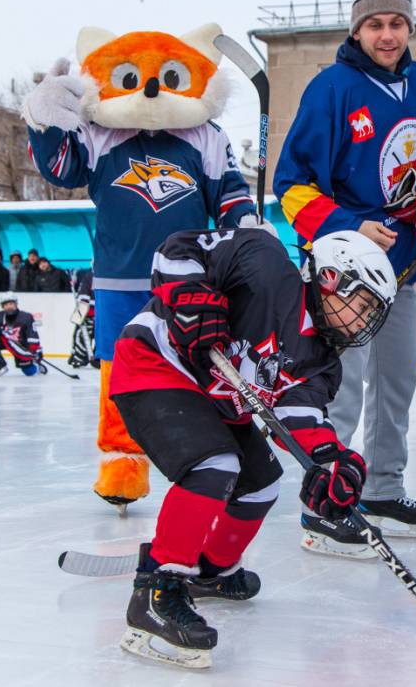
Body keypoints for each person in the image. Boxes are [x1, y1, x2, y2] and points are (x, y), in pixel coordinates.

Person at [110, 227, 396, 668]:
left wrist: (333, 461)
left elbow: (300, 418)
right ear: (332, 280)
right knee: (216, 464)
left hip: (217, 400)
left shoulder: (322, 360)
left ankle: (211, 571)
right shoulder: (262, 261)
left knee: (261, 483)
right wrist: (189, 295)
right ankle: (157, 588)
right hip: (155, 365)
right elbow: (176, 248)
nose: (361, 323)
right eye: (361, 307)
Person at [23, 24, 262, 513]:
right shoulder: (100, 132)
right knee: (120, 376)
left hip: (189, 281)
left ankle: (215, 459)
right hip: (118, 279)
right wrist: (44, 122)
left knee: (202, 368)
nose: (151, 87)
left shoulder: (205, 135)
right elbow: (61, 170)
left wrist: (246, 225)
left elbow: (230, 190)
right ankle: (122, 463)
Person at [274, 0, 416, 556]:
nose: (388, 35)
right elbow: (291, 185)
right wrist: (349, 225)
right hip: (345, 272)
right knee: (344, 390)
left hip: (405, 266)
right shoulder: (332, 89)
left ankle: (383, 490)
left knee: (397, 384)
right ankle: (326, 505)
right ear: (357, 30)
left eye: (397, 24)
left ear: (409, 30)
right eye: (376, 24)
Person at [0, 292, 47, 376]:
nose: (9, 306)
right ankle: (0, 364)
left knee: (29, 372)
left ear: (16, 304)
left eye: (11, 304)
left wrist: (34, 350)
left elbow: (32, 335)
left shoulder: (26, 317)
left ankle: (36, 365)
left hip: (22, 346)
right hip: (6, 342)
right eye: (6, 305)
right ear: (2, 307)